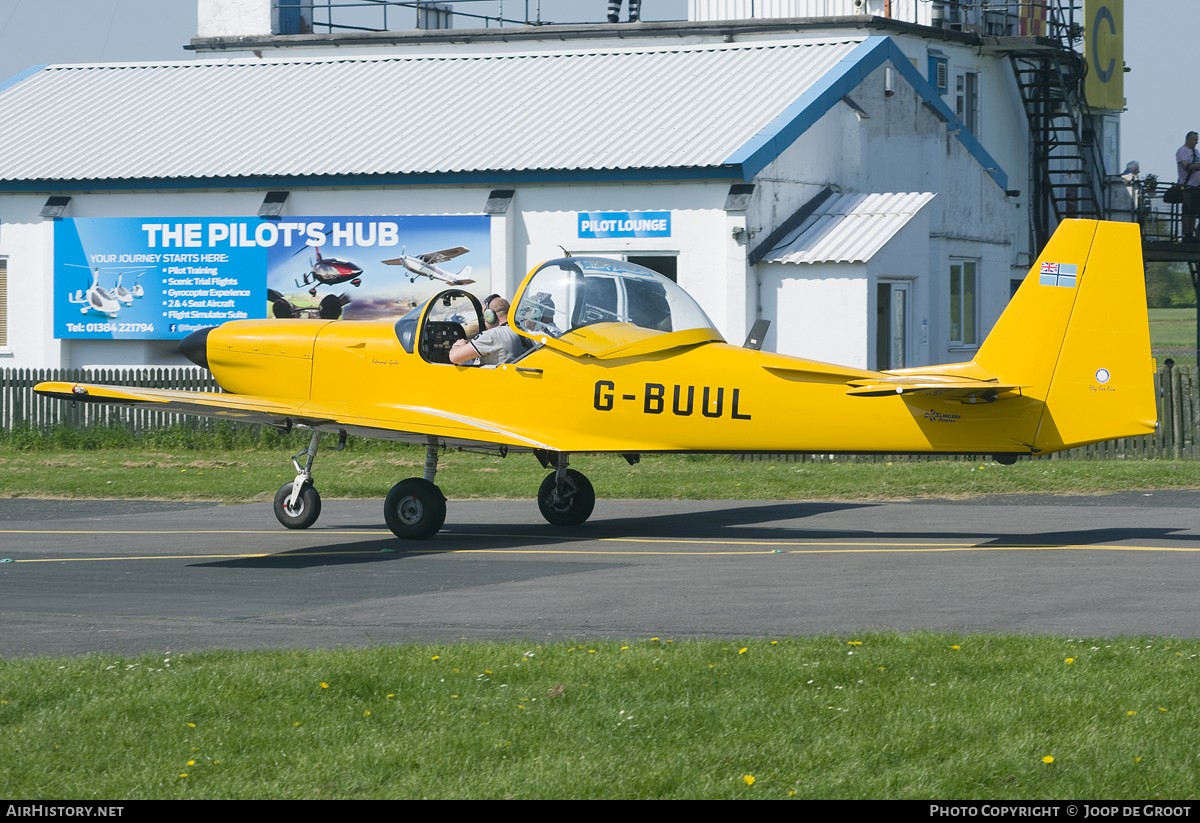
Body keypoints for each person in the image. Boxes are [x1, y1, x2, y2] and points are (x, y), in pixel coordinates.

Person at [449, 295, 523, 366]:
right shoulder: (522, 332)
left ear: (490, 315)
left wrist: (458, 345)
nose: (484, 321)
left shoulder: (494, 335)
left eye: (484, 316)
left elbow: (454, 357)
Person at [1176, 132, 1200, 242]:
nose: (1197, 142)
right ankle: (1187, 234)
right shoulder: (1182, 151)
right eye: (1195, 140)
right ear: (1189, 139)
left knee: (1193, 212)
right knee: (1187, 210)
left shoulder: (1196, 152)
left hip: (1196, 187)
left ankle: (1192, 235)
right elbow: (1186, 165)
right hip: (1186, 186)